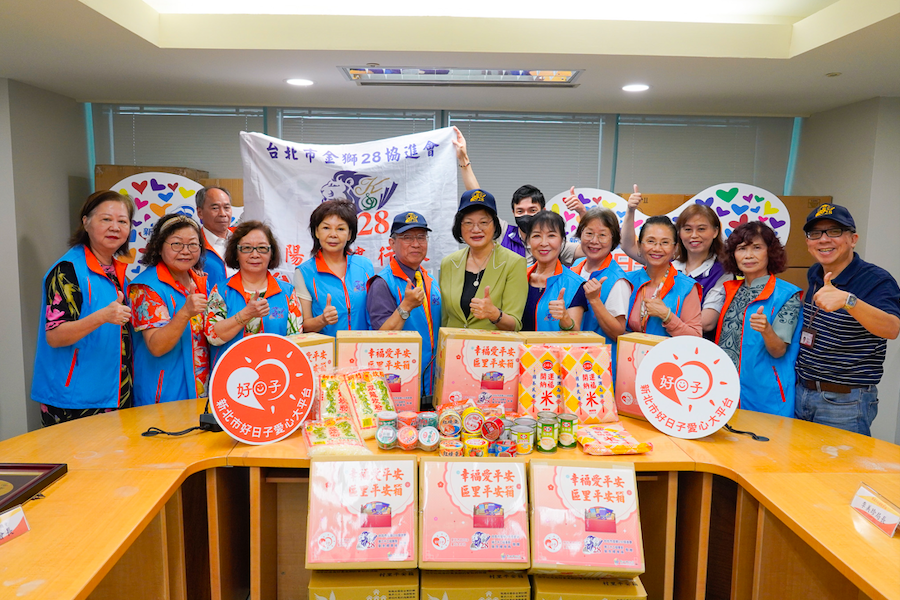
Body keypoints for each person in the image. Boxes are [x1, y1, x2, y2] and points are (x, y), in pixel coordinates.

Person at [794, 204, 900, 436]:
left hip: (845, 402)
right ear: (808, 242)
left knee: (840, 471)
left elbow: (892, 328)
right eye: (815, 233)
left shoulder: (876, 280)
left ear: (853, 239)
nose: (823, 239)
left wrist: (849, 301)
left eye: (834, 231)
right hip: (801, 394)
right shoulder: (815, 274)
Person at [32, 190, 135, 426]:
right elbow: (55, 336)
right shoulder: (67, 270)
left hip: (116, 394)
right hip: (75, 400)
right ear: (86, 222)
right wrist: (102, 316)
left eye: (122, 221)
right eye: (106, 219)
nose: (115, 227)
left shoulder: (118, 272)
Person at [452, 126, 580, 265]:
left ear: (543, 211)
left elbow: (593, 247)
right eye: (520, 211)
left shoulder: (554, 244)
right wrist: (464, 160)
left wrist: (582, 212)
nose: (526, 215)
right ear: (513, 212)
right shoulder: (504, 234)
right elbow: (478, 198)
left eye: (532, 210)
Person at [715, 221, 802, 417]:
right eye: (741, 249)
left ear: (770, 252)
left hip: (766, 395)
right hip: (725, 392)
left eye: (757, 248)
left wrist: (766, 330)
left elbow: (779, 350)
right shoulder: (729, 290)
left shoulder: (787, 294)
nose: (748, 255)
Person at [621, 185, 730, 339]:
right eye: (687, 229)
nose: (694, 235)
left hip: (684, 352)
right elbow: (627, 245)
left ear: (715, 231)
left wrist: (667, 315)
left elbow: (705, 324)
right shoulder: (665, 259)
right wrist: (630, 210)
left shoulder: (721, 273)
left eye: (701, 229)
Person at [130, 214, 210, 405]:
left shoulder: (198, 281)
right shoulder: (145, 288)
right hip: (165, 392)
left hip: (201, 388)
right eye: (176, 244)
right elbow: (157, 347)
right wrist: (184, 313)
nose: (185, 251)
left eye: (192, 244)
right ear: (158, 246)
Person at [367, 211, 441, 398]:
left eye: (421, 237)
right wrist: (405, 306)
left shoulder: (429, 279)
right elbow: (380, 339)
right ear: (392, 244)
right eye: (407, 238)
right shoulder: (383, 283)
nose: (416, 244)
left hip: (434, 383)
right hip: (402, 385)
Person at [205, 221, 303, 359]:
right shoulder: (221, 291)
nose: (255, 254)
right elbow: (213, 336)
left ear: (271, 253)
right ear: (236, 253)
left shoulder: (287, 293)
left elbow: (295, 341)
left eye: (262, 248)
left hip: (276, 373)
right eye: (246, 248)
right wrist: (246, 314)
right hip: (231, 375)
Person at [440, 189, 527, 331]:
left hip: (491, 350)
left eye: (484, 222)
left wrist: (495, 315)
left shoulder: (514, 263)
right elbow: (445, 319)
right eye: (468, 223)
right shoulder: (449, 263)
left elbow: (515, 325)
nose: (476, 229)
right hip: (454, 349)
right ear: (459, 226)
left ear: (495, 225)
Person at [295, 200, 374, 336]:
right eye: (326, 228)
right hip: (327, 352)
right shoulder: (304, 272)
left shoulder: (365, 266)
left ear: (349, 235)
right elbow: (303, 326)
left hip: (363, 350)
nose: (333, 234)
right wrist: (323, 320)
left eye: (340, 229)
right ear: (316, 232)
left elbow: (374, 313)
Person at [571, 207, 631, 373]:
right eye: (589, 233)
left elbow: (618, 332)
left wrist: (595, 301)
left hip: (598, 368)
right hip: (569, 360)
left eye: (602, 235)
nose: (594, 241)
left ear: (613, 239)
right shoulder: (574, 269)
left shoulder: (617, 280)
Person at [625, 216, 702, 337]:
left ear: (675, 248)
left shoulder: (686, 287)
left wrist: (667, 316)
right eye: (650, 241)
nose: (657, 248)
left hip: (669, 355)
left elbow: (696, 337)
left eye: (665, 242)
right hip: (629, 354)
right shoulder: (627, 281)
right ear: (639, 246)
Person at [523, 211, 586, 331]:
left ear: (562, 240)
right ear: (528, 241)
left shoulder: (575, 284)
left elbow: (576, 334)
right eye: (536, 236)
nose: (544, 243)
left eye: (551, 235)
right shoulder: (517, 276)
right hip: (517, 349)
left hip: (553, 350)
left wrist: (565, 317)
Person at [195, 186, 235, 289]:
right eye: (215, 208)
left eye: (227, 208)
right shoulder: (192, 246)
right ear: (200, 212)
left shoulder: (243, 240)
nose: (223, 214)